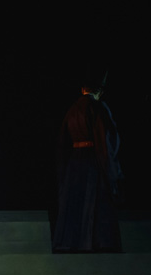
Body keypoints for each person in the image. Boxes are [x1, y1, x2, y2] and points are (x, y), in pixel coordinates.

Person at [51, 74, 123, 253]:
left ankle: (73, 242)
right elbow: (105, 138)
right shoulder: (97, 107)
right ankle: (96, 243)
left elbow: (62, 143)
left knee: (75, 201)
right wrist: (110, 168)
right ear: (98, 90)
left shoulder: (72, 109)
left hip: (75, 162)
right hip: (92, 160)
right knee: (95, 201)